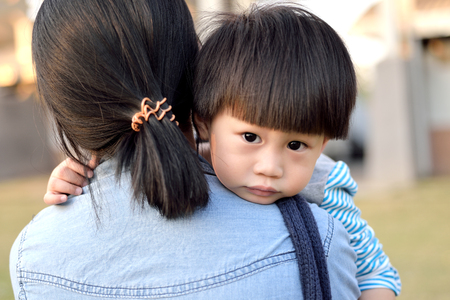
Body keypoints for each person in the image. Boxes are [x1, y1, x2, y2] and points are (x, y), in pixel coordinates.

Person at [41, 2, 401, 299]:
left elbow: (377, 272)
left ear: (323, 144)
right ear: (204, 123)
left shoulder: (326, 188)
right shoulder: (183, 155)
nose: (270, 167)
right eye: (250, 138)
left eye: (296, 145)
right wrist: (78, 176)